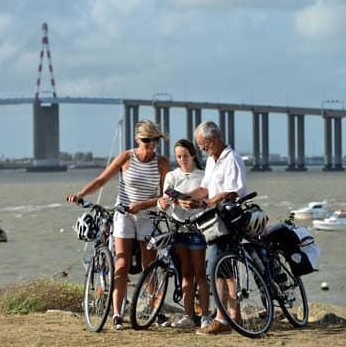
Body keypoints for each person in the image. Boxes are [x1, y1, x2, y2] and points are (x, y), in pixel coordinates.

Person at [66, 119, 170, 330]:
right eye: (145, 140)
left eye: (154, 141)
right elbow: (101, 180)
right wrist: (81, 194)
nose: (149, 145)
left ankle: (153, 309)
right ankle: (116, 313)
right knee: (121, 264)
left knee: (148, 266)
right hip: (123, 214)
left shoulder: (162, 163)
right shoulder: (126, 157)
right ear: (137, 139)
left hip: (147, 215)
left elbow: (164, 196)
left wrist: (143, 205)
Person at [177, 120, 247, 335]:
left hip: (229, 218)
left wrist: (207, 202)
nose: (200, 148)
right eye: (199, 144)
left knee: (218, 267)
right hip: (215, 222)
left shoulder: (231, 158)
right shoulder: (211, 161)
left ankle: (222, 319)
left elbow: (233, 191)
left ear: (214, 138)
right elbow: (205, 189)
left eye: (203, 143)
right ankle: (234, 317)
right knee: (224, 270)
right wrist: (185, 198)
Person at [157, 139, 211, 329]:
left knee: (200, 273)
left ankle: (205, 316)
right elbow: (166, 199)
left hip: (196, 229)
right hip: (177, 228)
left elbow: (208, 198)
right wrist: (162, 204)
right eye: (178, 157)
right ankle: (188, 316)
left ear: (193, 155)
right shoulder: (172, 176)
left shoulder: (203, 176)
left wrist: (193, 202)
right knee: (185, 274)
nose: (182, 160)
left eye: (185, 156)